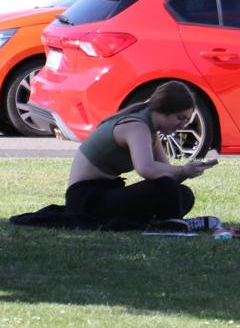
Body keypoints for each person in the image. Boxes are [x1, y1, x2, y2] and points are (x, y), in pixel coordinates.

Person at [65, 81, 217, 227]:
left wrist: (189, 171)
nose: (181, 125)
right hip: (86, 200)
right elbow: (146, 169)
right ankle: (172, 223)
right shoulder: (136, 126)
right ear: (164, 110)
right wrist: (183, 170)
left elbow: (166, 173)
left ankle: (168, 222)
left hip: (106, 193)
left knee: (183, 194)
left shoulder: (150, 130)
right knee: (165, 187)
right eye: (180, 118)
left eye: (185, 120)